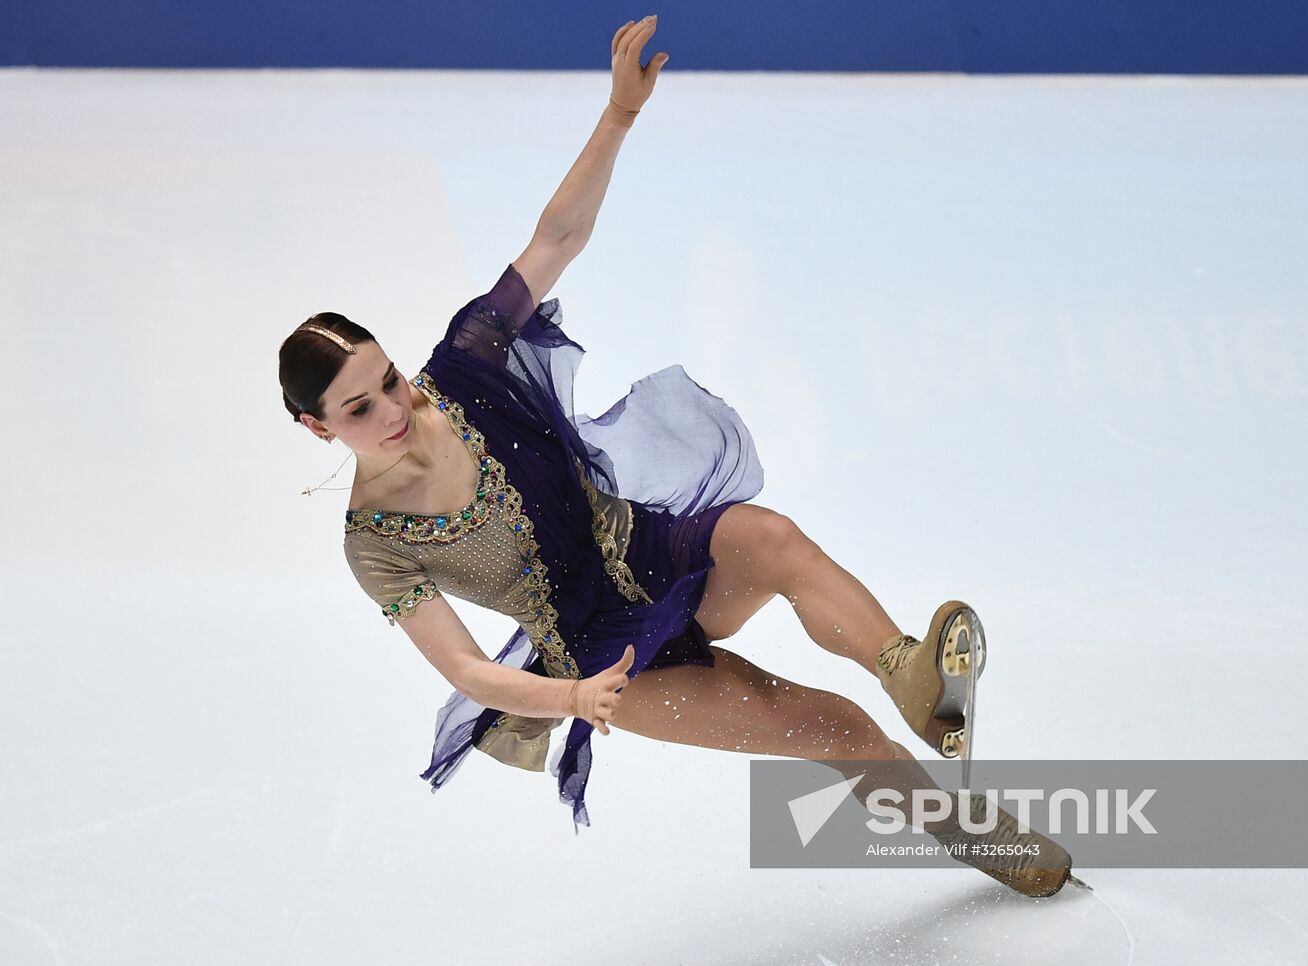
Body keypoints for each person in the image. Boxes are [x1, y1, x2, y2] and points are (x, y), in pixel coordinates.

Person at [276, 15, 1075, 897]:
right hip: (603, 657)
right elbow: (468, 669)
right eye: (360, 406)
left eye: (388, 378)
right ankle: (977, 837)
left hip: (646, 549)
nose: (395, 407)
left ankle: (916, 677)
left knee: (768, 537)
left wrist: (618, 114)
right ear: (317, 427)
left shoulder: (464, 366)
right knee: (831, 729)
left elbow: (554, 241)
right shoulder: (376, 543)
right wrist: (575, 701)